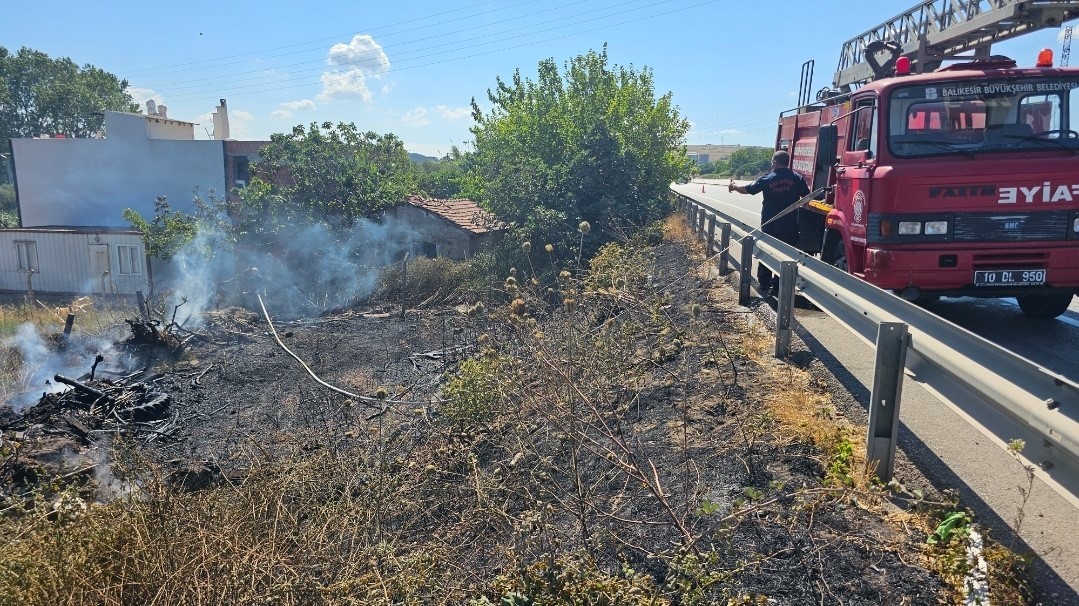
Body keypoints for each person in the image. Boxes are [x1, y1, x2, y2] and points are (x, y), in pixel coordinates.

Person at [728, 150, 810, 296]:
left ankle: (764, 284)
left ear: (775, 162)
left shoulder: (768, 178)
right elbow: (807, 198)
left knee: (766, 253)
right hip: (790, 226)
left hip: (770, 224)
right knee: (785, 256)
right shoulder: (797, 178)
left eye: (772, 162)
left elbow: (748, 189)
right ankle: (778, 286)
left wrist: (734, 186)